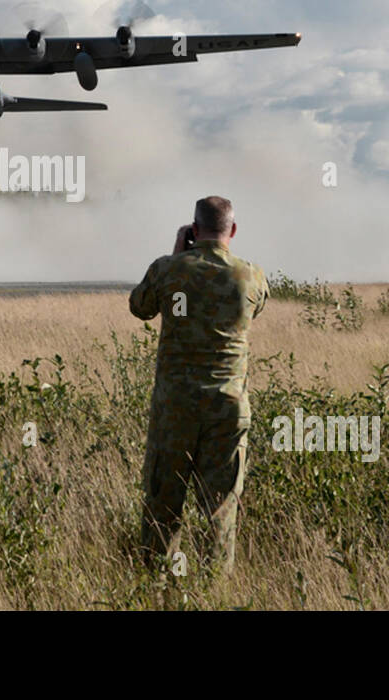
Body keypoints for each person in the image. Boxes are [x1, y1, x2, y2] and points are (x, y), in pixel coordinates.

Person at [128, 195, 269, 572]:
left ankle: (156, 588)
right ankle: (214, 592)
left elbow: (141, 307)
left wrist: (177, 258)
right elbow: (253, 308)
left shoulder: (170, 270)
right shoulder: (251, 275)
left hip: (176, 408)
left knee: (163, 505)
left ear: (193, 230)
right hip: (227, 408)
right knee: (221, 509)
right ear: (233, 230)